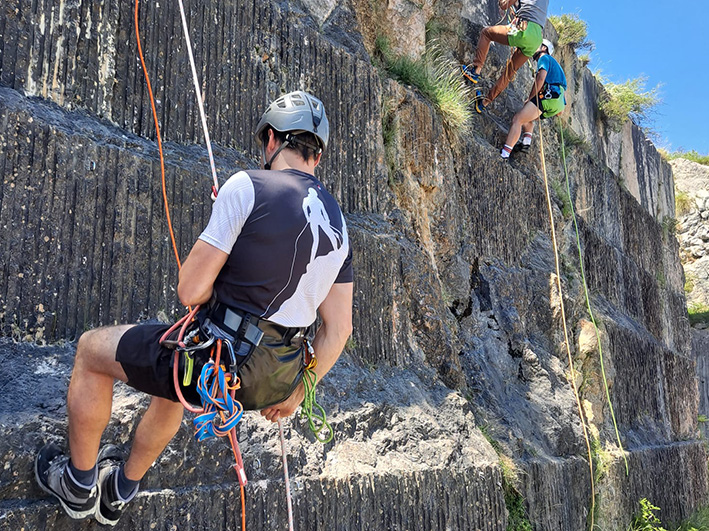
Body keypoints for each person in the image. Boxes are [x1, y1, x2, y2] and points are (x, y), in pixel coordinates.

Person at [34, 90, 354, 526]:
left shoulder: (249, 186)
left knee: (92, 351)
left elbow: (190, 290)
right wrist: (298, 392)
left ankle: (77, 484)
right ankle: (120, 491)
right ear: (318, 155)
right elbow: (339, 329)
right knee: (176, 385)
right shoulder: (339, 224)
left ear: (272, 139)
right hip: (274, 381)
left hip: (217, 363)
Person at [461, 0, 549, 113]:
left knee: (486, 33)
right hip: (537, 40)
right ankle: (484, 103)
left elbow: (504, 5)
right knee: (509, 73)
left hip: (524, 29)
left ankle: (475, 71)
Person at [499, 39, 567, 159]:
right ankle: (526, 143)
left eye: (537, 45)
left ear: (544, 48)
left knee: (517, 119)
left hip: (547, 96)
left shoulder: (544, 58)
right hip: (558, 103)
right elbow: (561, 95)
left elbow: (540, 78)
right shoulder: (558, 68)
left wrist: (530, 98)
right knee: (527, 118)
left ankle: (505, 153)